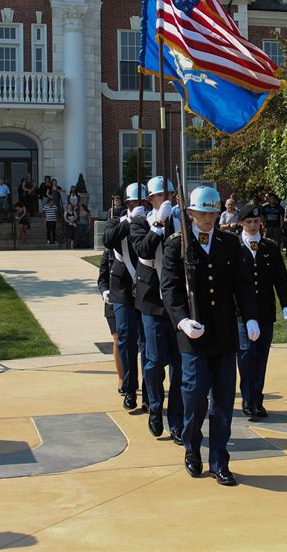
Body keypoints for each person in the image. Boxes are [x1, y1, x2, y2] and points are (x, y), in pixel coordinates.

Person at [161, 186, 260, 487]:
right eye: (202, 213)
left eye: (212, 213)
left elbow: (242, 285)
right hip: (193, 336)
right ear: (190, 213)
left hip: (224, 334)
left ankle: (220, 459)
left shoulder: (229, 244)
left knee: (223, 401)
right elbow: (170, 289)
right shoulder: (176, 245)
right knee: (194, 395)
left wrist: (251, 315)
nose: (208, 219)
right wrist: (181, 321)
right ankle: (192, 449)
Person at [129, 176, 184, 444]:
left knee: (179, 363)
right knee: (153, 362)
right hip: (151, 300)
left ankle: (177, 421)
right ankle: (154, 406)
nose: (168, 199)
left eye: (171, 194)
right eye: (162, 195)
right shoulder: (140, 221)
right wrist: (158, 224)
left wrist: (174, 222)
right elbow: (143, 249)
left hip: (177, 299)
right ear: (151, 199)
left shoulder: (181, 219)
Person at [237, 203, 287, 418]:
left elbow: (280, 279)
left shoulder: (269, 247)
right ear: (241, 223)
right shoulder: (235, 246)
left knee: (260, 357)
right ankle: (248, 399)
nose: (253, 225)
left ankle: (257, 400)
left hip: (265, 312)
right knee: (246, 355)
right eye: (249, 221)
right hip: (241, 313)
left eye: (256, 221)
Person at [103, 183, 148, 412]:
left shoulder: (152, 221)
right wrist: (131, 222)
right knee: (126, 338)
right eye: (135, 202)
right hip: (122, 289)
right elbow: (108, 239)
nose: (140, 205)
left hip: (147, 289)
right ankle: (130, 389)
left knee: (148, 343)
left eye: (144, 202)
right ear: (128, 203)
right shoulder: (118, 222)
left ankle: (149, 392)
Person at [98, 248, 124, 393]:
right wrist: (104, 291)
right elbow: (102, 279)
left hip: (132, 299)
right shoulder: (109, 252)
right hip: (113, 301)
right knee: (117, 338)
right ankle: (122, 377)